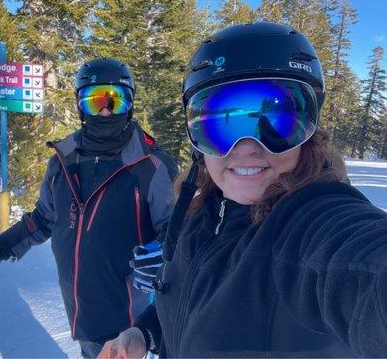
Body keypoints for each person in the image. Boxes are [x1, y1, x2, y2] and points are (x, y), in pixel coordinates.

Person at [98, 22, 387, 358]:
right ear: (197, 144)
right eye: (219, 123)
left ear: (309, 131)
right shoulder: (201, 216)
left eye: (276, 120)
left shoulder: (312, 225)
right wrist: (144, 334)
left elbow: (364, 268)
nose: (246, 148)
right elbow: (187, 304)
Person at [0, 57, 177, 358]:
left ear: (131, 104)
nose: (104, 110)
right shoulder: (62, 162)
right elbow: (42, 221)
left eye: (115, 101)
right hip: (81, 314)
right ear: (79, 106)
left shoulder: (150, 166)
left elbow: (180, 233)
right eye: (93, 101)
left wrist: (164, 254)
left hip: (129, 324)